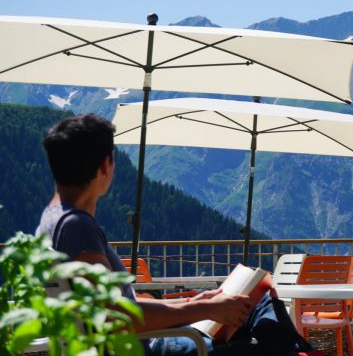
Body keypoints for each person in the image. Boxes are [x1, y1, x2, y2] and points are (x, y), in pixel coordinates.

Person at [35, 114, 299, 356]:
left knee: (255, 307)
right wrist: (207, 309)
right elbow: (114, 315)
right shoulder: (77, 227)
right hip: (157, 346)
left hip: (149, 340)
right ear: (106, 166)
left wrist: (192, 301)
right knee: (270, 329)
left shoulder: (52, 220)